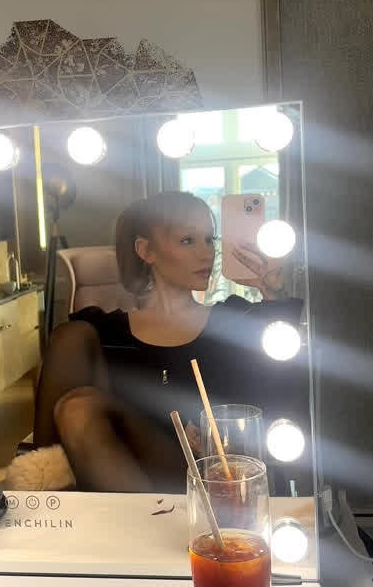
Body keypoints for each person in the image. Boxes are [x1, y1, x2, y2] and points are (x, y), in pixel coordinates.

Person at [33, 191, 303, 493]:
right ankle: (37, 497)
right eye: (188, 240)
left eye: (209, 240)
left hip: (207, 479)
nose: (206, 253)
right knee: (75, 383)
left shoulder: (232, 319)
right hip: (123, 476)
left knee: (79, 405)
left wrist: (273, 293)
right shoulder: (103, 333)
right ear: (146, 250)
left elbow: (282, 388)